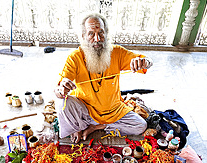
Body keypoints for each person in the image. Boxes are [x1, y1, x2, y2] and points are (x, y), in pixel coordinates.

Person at [54, 13, 153, 143]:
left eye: (101, 33)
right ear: (83, 36)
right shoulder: (75, 57)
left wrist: (145, 62)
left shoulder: (117, 52)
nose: (97, 38)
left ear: (106, 33)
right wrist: (61, 90)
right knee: (61, 102)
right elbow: (59, 88)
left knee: (141, 125)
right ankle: (77, 127)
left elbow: (146, 61)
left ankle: (97, 126)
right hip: (86, 111)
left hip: (114, 111)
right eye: (91, 34)